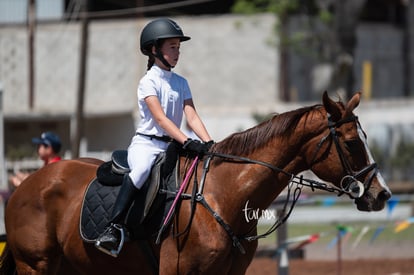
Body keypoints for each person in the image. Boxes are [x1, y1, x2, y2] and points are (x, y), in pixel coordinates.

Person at [95, 18, 214, 257]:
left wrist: (209, 142)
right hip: (147, 144)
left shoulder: (181, 82)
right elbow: (160, 119)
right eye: (172, 47)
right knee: (139, 172)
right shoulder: (147, 82)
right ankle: (113, 227)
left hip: (173, 146)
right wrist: (186, 141)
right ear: (154, 49)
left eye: (178, 47)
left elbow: (191, 115)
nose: (177, 52)